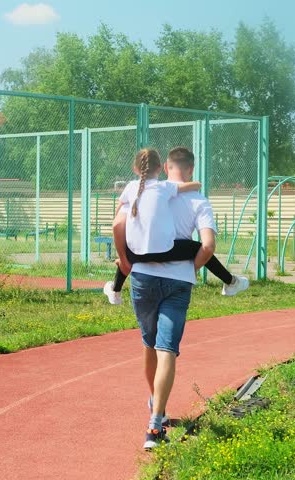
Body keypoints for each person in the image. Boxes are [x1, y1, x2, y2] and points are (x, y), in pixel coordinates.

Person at [111, 146, 248, 450]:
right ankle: (155, 425)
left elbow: (119, 225)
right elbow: (208, 246)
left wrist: (124, 261)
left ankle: (155, 404)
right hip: (177, 281)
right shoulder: (197, 199)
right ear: (190, 169)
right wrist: (191, 268)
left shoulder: (142, 190)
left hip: (143, 277)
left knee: (149, 345)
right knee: (167, 350)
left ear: (165, 167)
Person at [102, 151, 247, 305]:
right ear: (160, 168)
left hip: (137, 254)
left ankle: (115, 290)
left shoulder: (132, 188)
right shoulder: (163, 187)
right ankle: (230, 281)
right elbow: (184, 187)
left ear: (135, 169)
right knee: (199, 247)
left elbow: (118, 219)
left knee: (128, 252)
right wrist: (197, 184)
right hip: (165, 251)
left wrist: (123, 256)